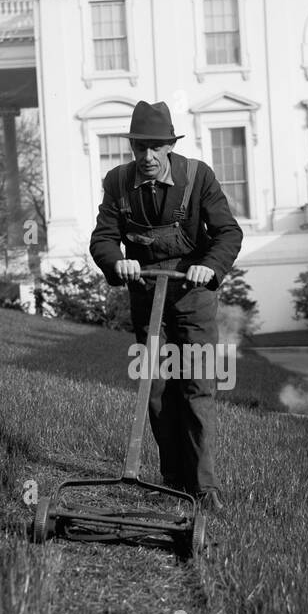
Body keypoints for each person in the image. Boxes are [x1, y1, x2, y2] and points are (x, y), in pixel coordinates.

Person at [89, 100, 243, 512]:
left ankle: (205, 487)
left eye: (157, 148)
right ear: (133, 147)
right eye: (141, 148)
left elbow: (228, 232)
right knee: (156, 388)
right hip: (147, 296)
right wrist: (115, 260)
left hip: (193, 296)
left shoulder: (198, 177)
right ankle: (172, 478)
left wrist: (208, 268)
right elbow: (103, 238)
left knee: (195, 386)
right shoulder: (118, 182)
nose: (148, 157)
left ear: (169, 147)